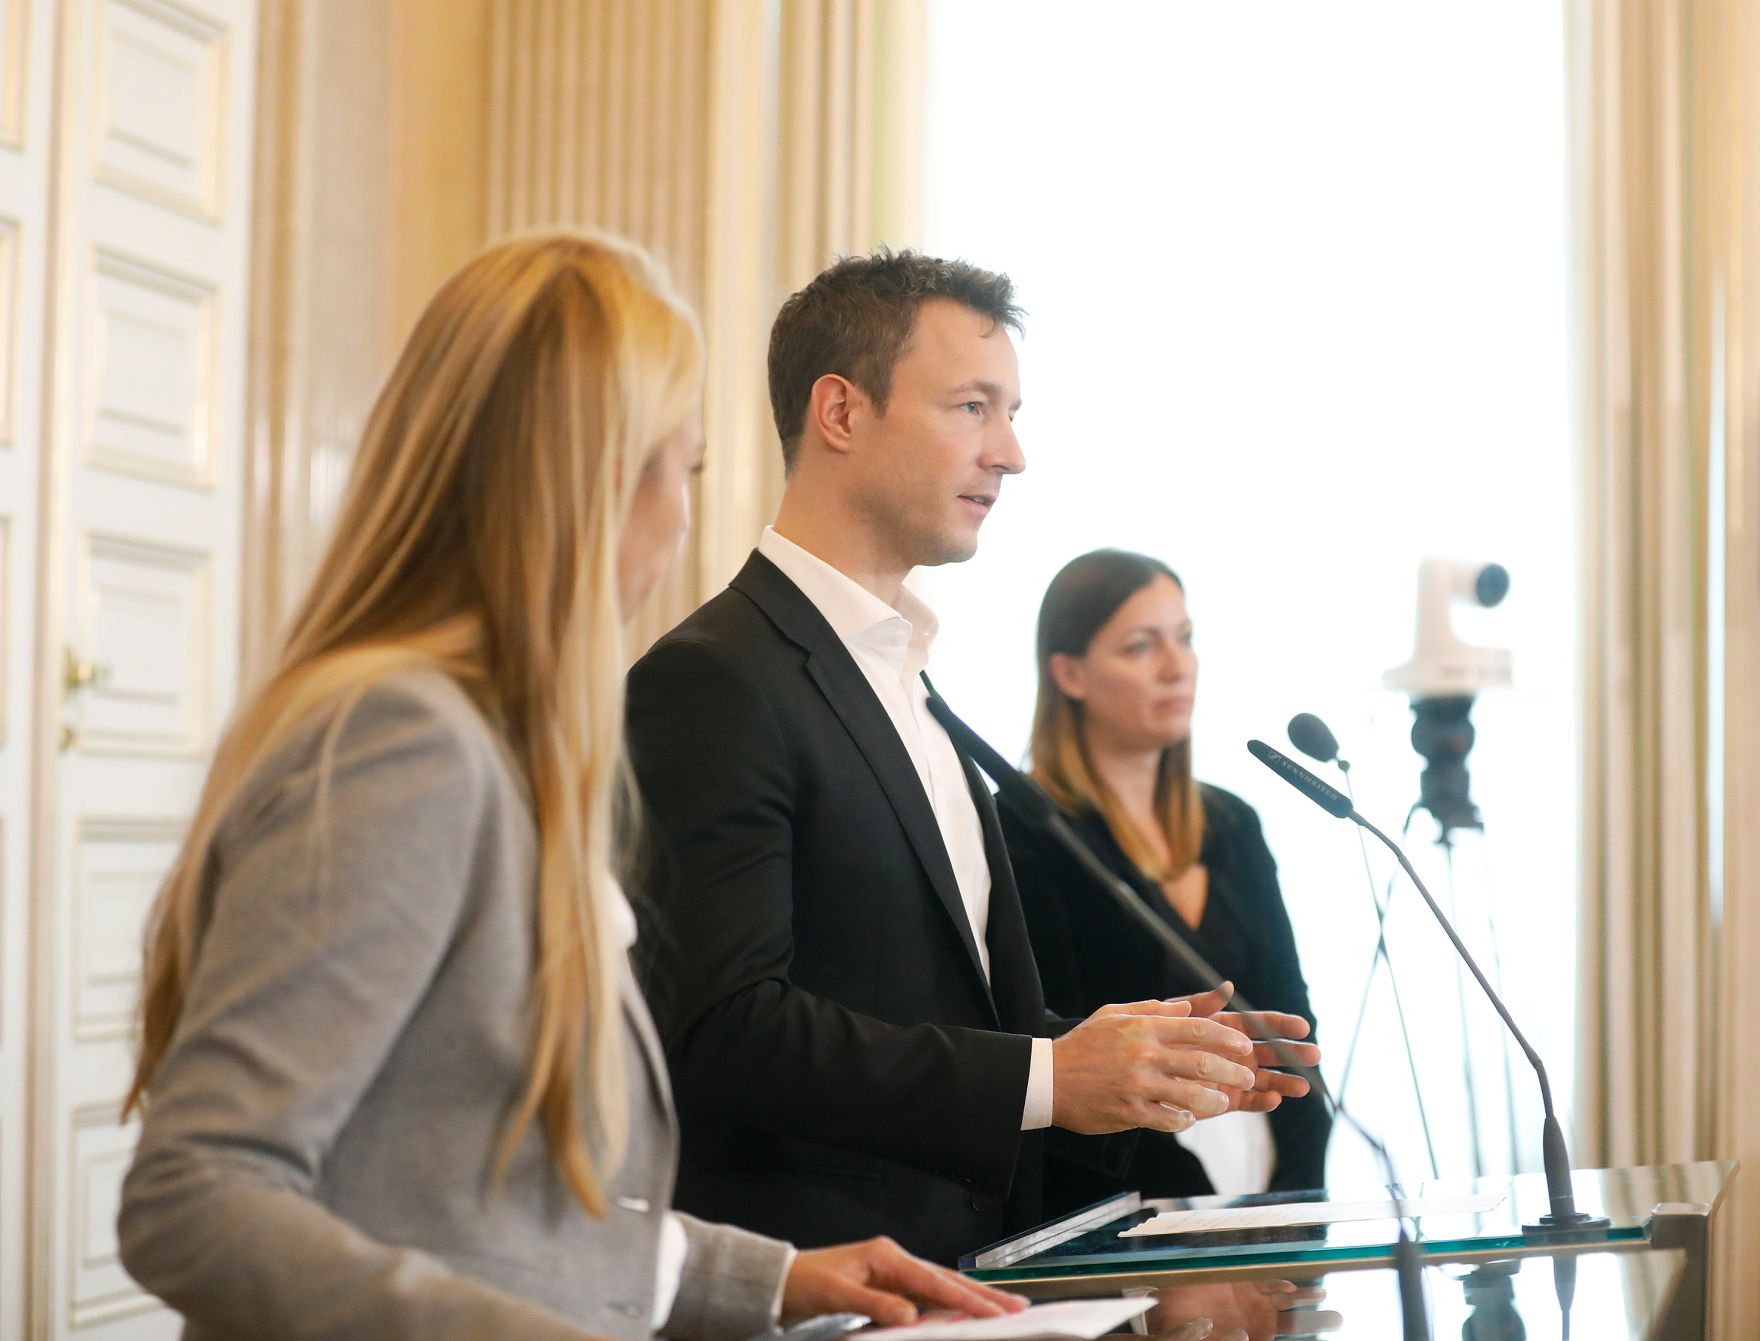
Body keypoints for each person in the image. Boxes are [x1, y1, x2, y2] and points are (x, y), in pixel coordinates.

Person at [115, 233, 1026, 1341]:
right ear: (590, 478)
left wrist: (769, 1281)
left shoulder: (491, 738)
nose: (683, 519)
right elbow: (195, 1201)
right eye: (679, 471)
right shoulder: (401, 739)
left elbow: (473, 1200)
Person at [624, 250, 1318, 1267]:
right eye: (972, 408)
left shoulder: (912, 679)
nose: (1010, 453)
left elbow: (937, 1013)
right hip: (817, 1293)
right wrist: (1045, 1076)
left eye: (1012, 412)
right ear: (841, 413)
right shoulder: (715, 680)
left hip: (969, 1279)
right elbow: (722, 1030)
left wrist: (1135, 1064)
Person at [1003, 549, 1331, 1213]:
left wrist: (1291, 1205)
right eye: (1140, 646)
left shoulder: (1232, 822)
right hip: (1115, 1202)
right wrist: (1198, 1216)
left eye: (1184, 638)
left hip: (1269, 1188)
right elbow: (1055, 1048)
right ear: (1069, 672)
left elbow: (1295, 1033)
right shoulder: (1024, 829)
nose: (1177, 666)